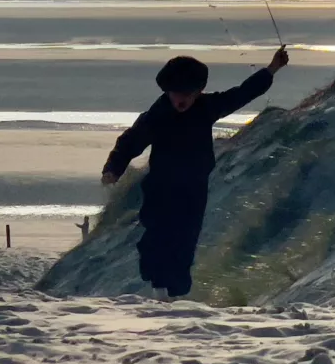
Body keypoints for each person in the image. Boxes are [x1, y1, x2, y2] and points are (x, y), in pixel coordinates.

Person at [101, 46, 289, 301]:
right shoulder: (157, 116)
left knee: (185, 240)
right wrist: (113, 168)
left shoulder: (206, 107)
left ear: (199, 91)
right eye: (177, 93)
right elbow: (130, 142)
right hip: (161, 185)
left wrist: (272, 69)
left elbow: (241, 94)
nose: (182, 99)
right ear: (167, 90)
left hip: (193, 186)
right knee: (157, 235)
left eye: (188, 94)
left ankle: (175, 295)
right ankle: (158, 286)